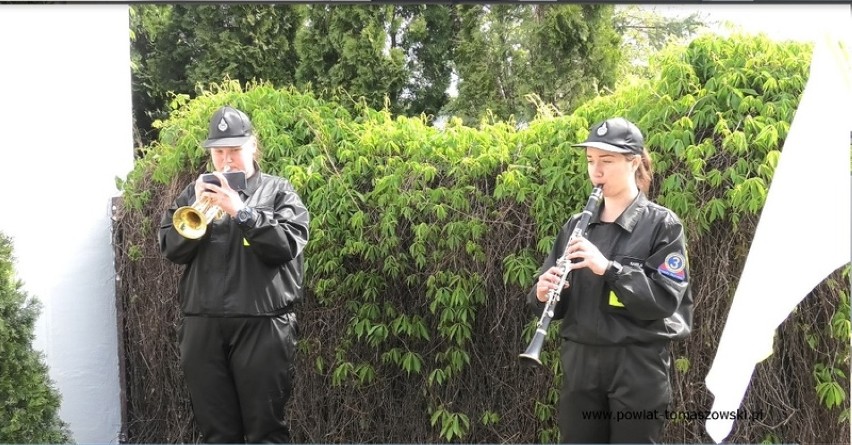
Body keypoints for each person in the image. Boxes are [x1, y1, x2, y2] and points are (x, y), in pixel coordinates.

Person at [527, 117, 693, 443]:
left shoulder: (663, 225)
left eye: (607, 160)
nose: (596, 170)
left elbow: (663, 300)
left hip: (636, 364)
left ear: (633, 162)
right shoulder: (577, 225)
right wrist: (542, 293)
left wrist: (608, 268)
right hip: (581, 362)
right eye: (590, 160)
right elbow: (553, 303)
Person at [159, 105, 310, 443]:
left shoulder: (278, 191)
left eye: (234, 151)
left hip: (263, 325)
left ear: (252, 148)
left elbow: (285, 245)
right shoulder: (193, 195)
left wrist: (241, 212)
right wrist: (198, 207)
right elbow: (171, 248)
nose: (226, 160)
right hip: (202, 326)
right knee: (216, 433)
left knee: (265, 431)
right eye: (219, 152)